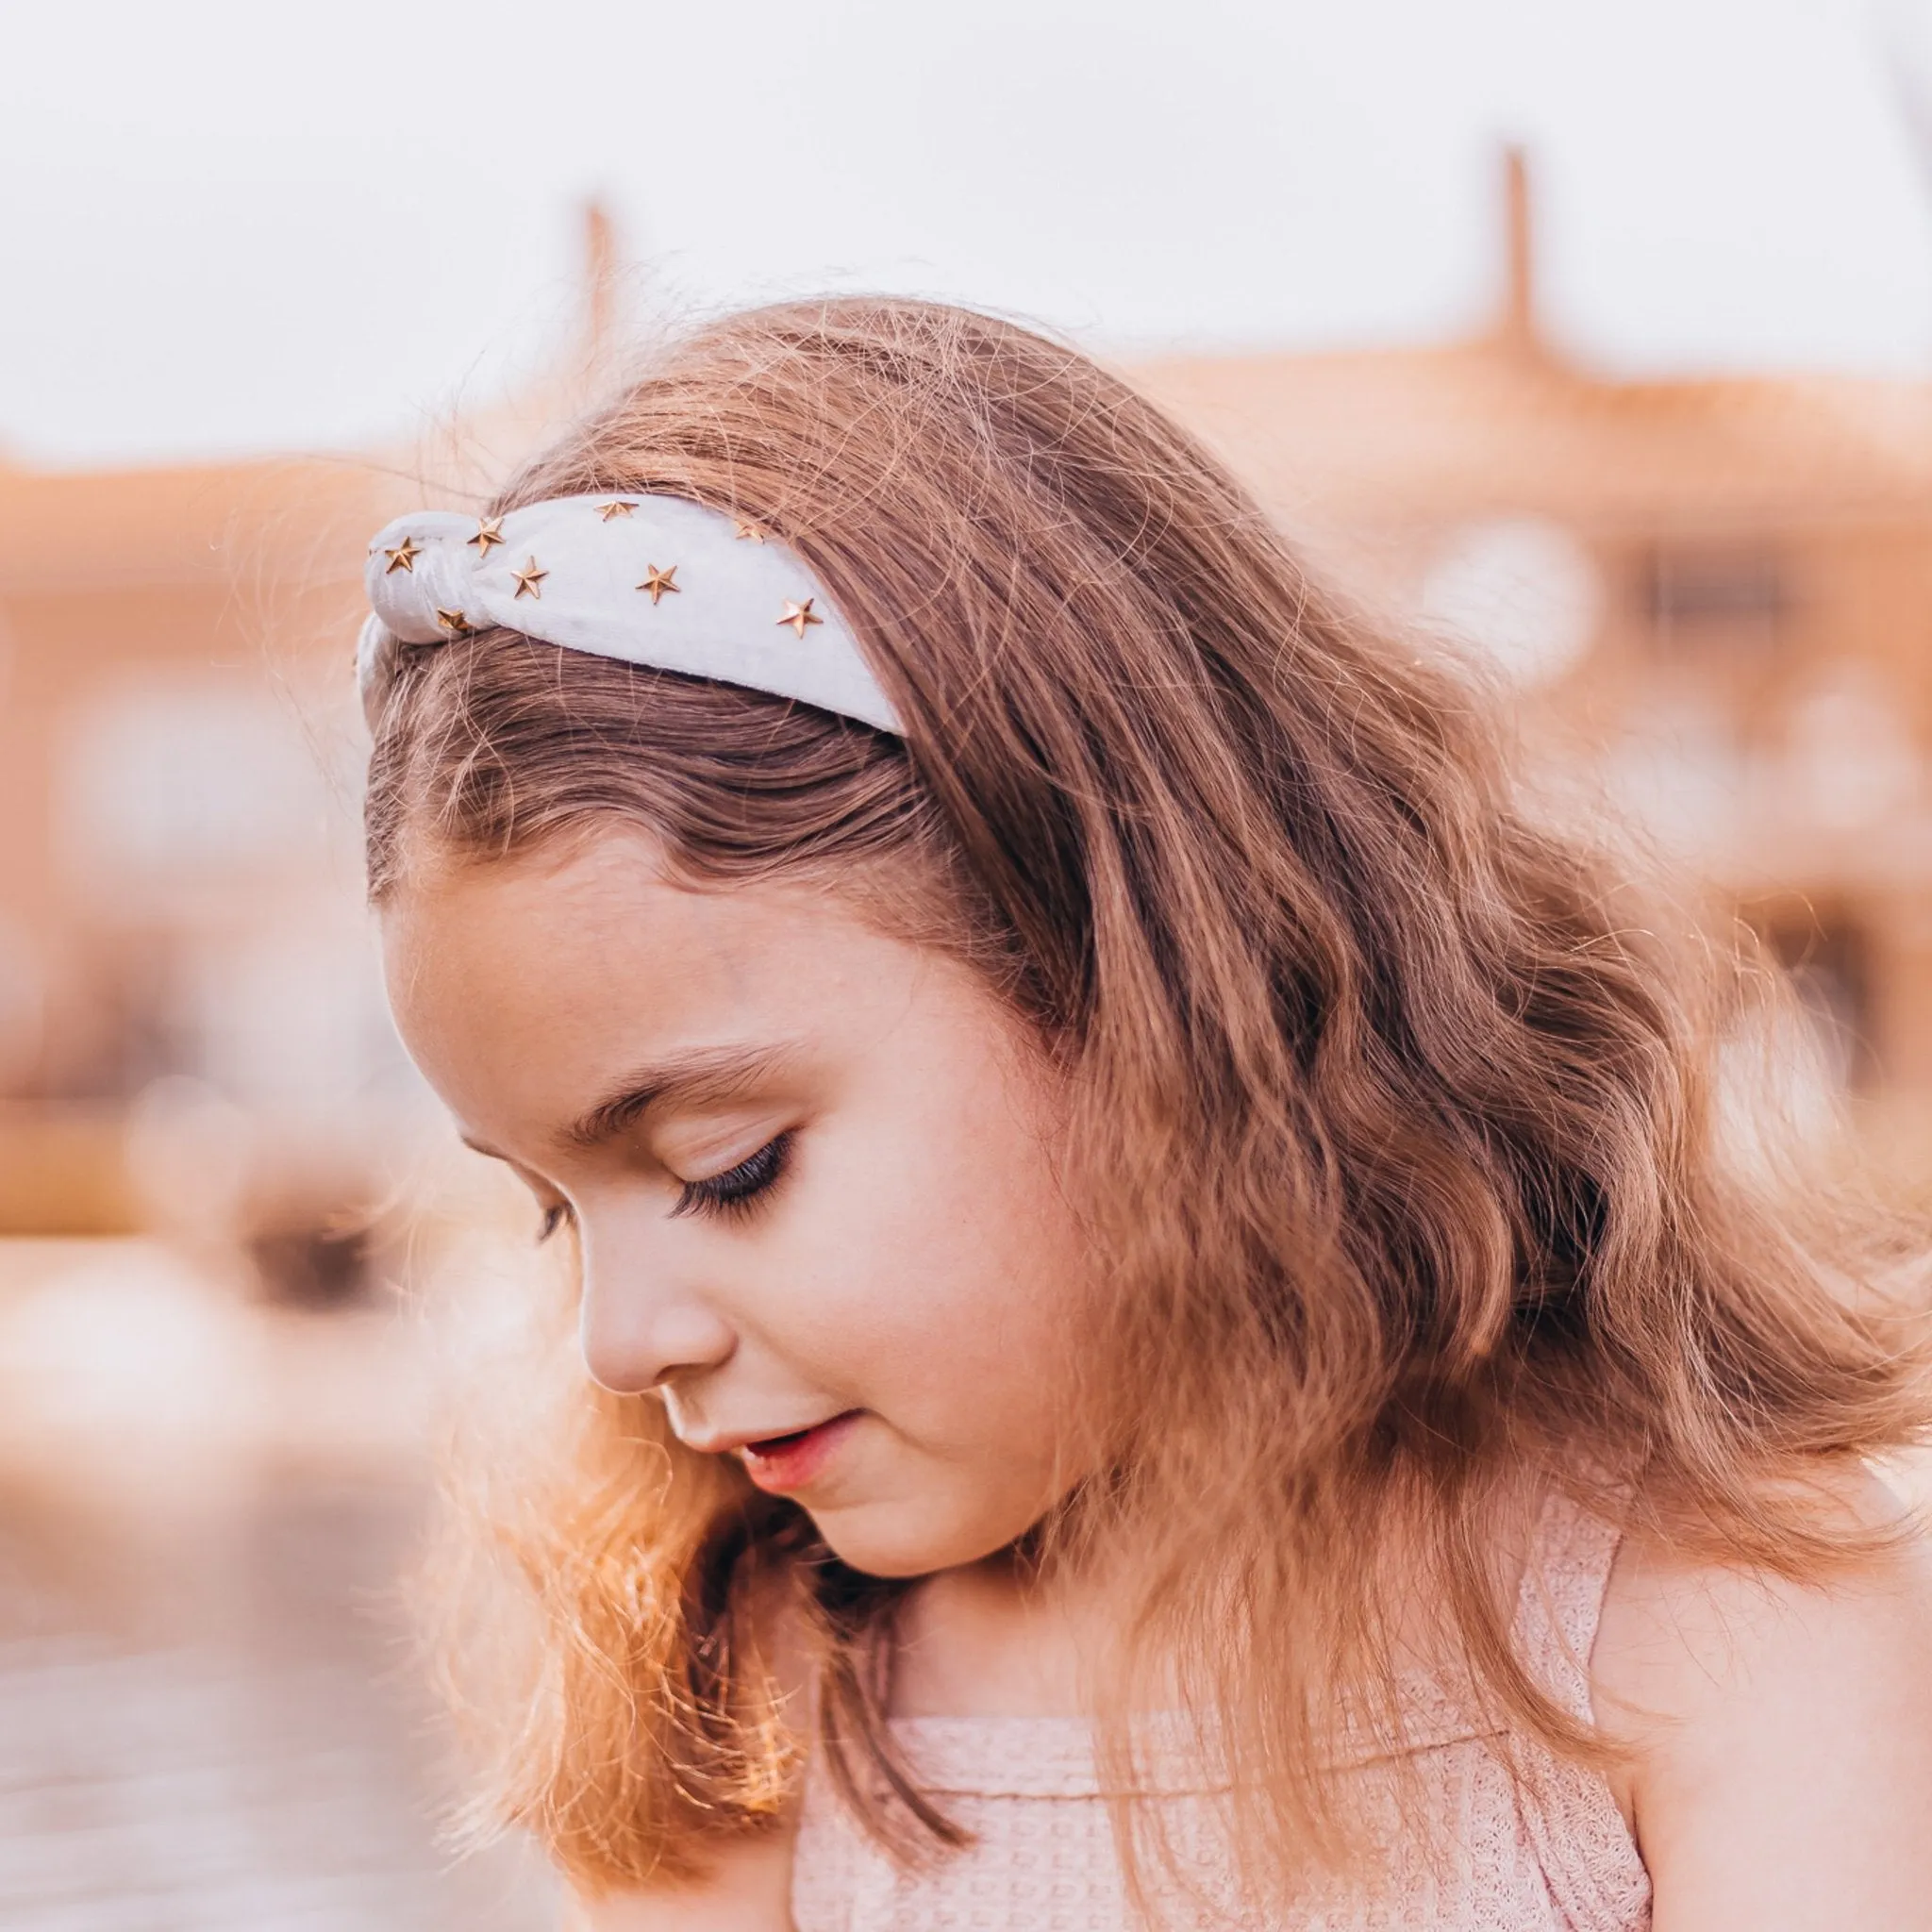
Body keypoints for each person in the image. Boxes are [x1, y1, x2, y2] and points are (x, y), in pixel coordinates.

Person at [358, 297, 1932, 1931]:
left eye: (729, 1169)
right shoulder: (745, 1700)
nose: (619, 1343)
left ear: (1156, 984)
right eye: (552, 1205)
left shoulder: (1709, 1618)